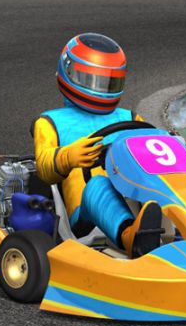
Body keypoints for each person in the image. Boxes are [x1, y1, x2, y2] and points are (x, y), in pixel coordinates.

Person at [32, 33, 162, 258]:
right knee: (98, 186)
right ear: (69, 71)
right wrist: (68, 157)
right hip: (86, 215)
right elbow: (43, 167)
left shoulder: (130, 117)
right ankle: (133, 238)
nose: (100, 88)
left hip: (136, 196)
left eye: (108, 82)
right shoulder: (50, 122)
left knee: (173, 181)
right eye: (91, 80)